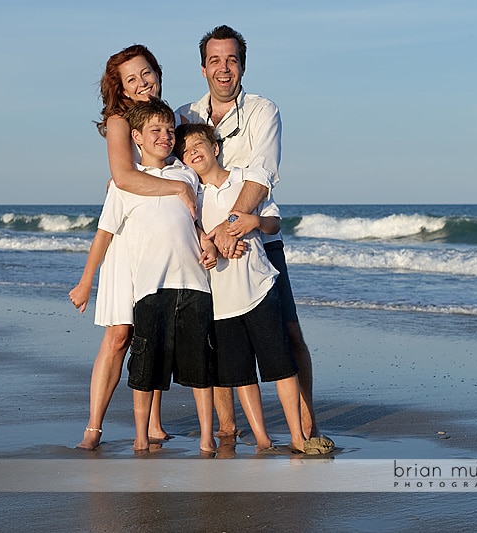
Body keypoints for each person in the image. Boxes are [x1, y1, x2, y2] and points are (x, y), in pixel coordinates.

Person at [176, 26, 332, 448]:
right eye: (214, 60)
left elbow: (262, 175)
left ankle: (306, 427)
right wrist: (212, 237)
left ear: (242, 65)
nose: (222, 68)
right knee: (218, 338)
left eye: (231, 60)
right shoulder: (183, 117)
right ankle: (228, 429)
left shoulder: (264, 110)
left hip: (259, 239)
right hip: (205, 246)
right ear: (203, 67)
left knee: (289, 334)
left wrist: (232, 226)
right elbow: (171, 177)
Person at [69, 44, 194, 450]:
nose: (142, 83)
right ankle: (94, 427)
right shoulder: (120, 119)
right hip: (128, 239)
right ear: (119, 87)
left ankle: (154, 422)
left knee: (155, 330)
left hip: (161, 239)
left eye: (147, 73)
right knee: (121, 333)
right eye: (131, 79)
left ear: (158, 72)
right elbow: (124, 176)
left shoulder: (171, 118)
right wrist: (176, 188)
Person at [92, 97, 216, 452]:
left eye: (169, 130)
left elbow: (197, 219)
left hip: (194, 282)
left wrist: (207, 240)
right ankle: (141, 437)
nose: (165, 136)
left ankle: (207, 437)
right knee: (145, 365)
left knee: (199, 366)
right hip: (149, 287)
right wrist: (87, 282)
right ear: (137, 137)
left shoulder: (186, 174)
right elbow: (106, 232)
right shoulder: (126, 183)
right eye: (155, 130)